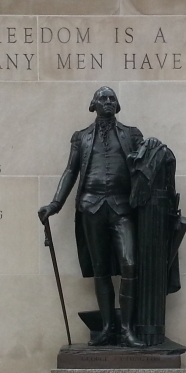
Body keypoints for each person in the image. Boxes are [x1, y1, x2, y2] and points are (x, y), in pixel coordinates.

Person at [38, 87, 147, 347]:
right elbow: (70, 171)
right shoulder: (82, 137)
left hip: (122, 208)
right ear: (93, 104)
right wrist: (55, 204)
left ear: (117, 105)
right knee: (101, 270)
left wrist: (156, 151)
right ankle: (108, 328)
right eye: (103, 98)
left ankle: (127, 330)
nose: (108, 102)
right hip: (91, 207)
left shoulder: (132, 134)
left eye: (112, 99)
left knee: (130, 264)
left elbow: (147, 166)